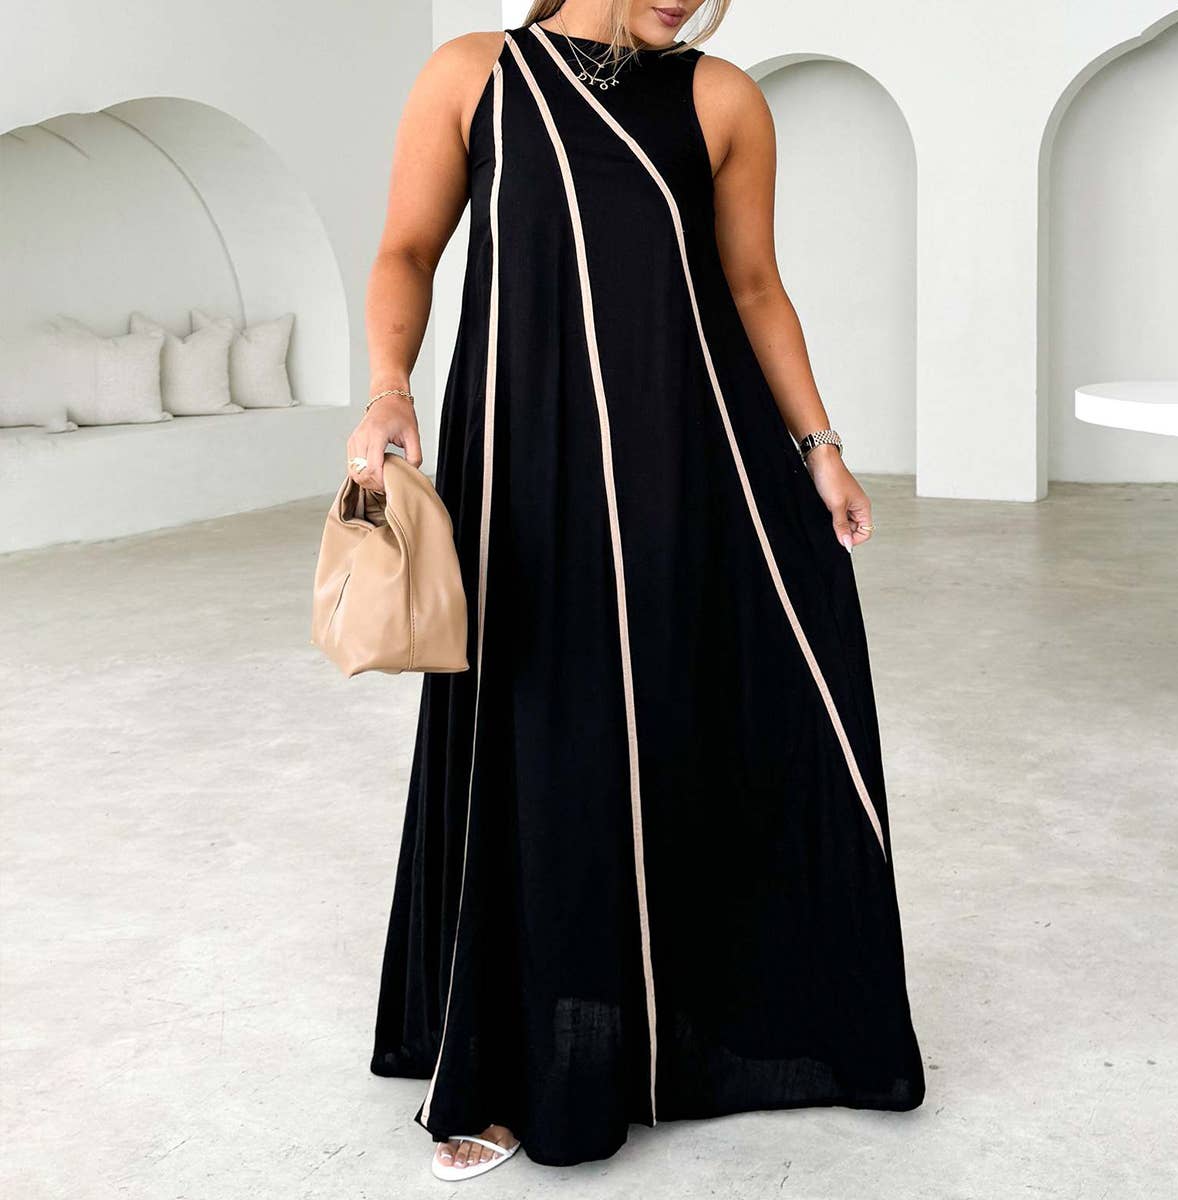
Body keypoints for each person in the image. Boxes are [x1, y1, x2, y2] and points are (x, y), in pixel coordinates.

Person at [349, 0, 926, 1178]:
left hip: (689, 461)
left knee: (689, 721)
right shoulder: (474, 73)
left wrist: (821, 450)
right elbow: (408, 247)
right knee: (542, 742)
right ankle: (522, 1062)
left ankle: (686, 1027)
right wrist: (389, 386)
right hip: (526, 459)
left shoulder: (722, 98)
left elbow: (754, 287)